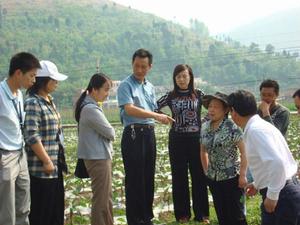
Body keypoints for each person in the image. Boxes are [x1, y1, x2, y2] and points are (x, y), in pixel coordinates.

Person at [117, 48, 173, 225]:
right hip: (133, 134)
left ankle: (146, 217)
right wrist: (156, 116)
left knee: (148, 176)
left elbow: (151, 109)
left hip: (149, 133)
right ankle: (134, 219)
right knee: (134, 179)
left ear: (150, 66)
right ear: (132, 64)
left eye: (143, 66)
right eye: (136, 66)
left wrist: (162, 116)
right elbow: (129, 109)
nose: (139, 70)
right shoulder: (126, 85)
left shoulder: (150, 87)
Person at [228, 90, 300, 225]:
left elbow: (277, 163)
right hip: (283, 188)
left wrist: (272, 196)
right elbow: (272, 163)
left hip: (282, 193)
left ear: (234, 112)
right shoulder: (260, 126)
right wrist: (258, 184)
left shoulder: (256, 131)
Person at [156, 64, 209, 223]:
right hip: (177, 140)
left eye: (184, 76)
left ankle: (202, 214)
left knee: (199, 176)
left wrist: (204, 122)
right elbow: (153, 107)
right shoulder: (170, 96)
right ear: (175, 79)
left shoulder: (199, 94)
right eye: (178, 76)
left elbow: (215, 108)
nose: (181, 79)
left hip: (196, 140)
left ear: (190, 77)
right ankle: (182, 215)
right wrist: (163, 118)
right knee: (179, 177)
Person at [24, 60, 68, 225]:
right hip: (41, 169)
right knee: (42, 213)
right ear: (43, 81)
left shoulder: (49, 100)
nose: (56, 83)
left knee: (56, 212)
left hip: (55, 167)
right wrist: (46, 160)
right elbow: (31, 134)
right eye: (53, 80)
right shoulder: (33, 103)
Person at [0, 52, 40, 225]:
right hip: (5, 155)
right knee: (6, 207)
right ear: (18, 73)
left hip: (20, 153)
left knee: (23, 203)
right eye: (31, 76)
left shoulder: (19, 94)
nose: (33, 80)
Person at [200, 92, 248, 225]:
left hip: (232, 178)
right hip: (213, 178)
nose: (211, 110)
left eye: (216, 107)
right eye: (210, 106)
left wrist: (243, 175)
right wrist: (206, 172)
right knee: (222, 214)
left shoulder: (233, 127)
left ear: (226, 109)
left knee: (237, 215)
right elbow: (203, 150)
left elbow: (245, 152)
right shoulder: (204, 127)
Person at [75, 73, 115, 225]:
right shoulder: (90, 109)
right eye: (105, 89)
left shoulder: (89, 105)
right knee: (101, 200)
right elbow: (111, 133)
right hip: (98, 159)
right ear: (94, 89)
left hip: (98, 157)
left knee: (106, 197)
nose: (107, 94)